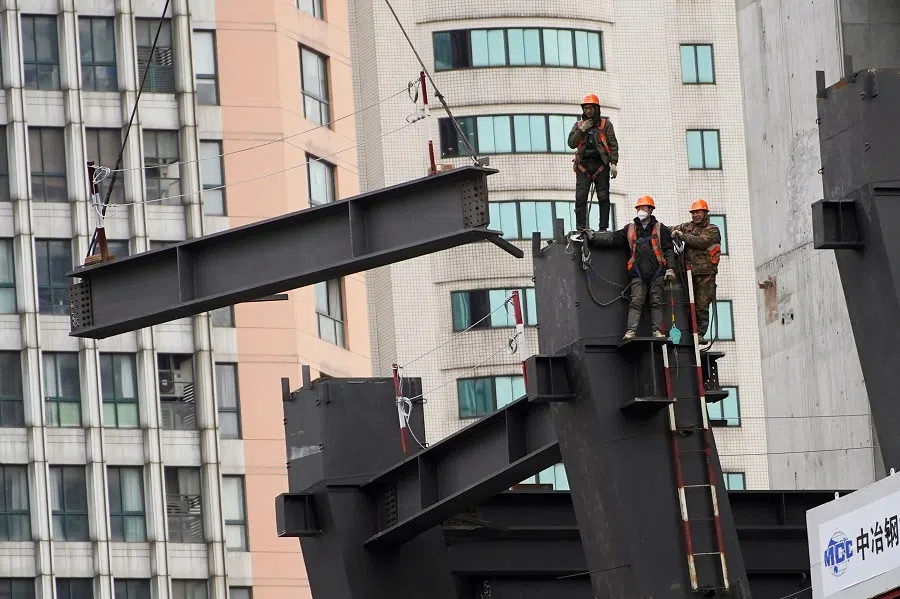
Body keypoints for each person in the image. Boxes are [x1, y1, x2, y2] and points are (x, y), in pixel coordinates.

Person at [589, 196, 676, 340]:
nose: (641, 211)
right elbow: (613, 238)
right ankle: (630, 331)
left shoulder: (661, 228)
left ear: (650, 210)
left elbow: (668, 249)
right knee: (636, 302)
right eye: (639, 208)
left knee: (657, 301)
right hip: (637, 272)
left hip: (657, 271)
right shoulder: (629, 228)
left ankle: (657, 331)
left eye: (643, 208)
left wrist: (670, 268)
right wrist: (594, 237)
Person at [671, 199, 721, 344]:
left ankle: (699, 333)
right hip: (688, 273)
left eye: (698, 212)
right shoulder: (688, 227)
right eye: (693, 213)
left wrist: (682, 236)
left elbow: (701, 242)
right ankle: (689, 331)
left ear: (705, 213)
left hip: (705, 274)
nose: (695, 215)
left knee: (701, 304)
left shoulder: (712, 229)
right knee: (688, 303)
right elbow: (672, 229)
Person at [568, 93, 618, 233]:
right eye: (586, 108)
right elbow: (571, 143)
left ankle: (603, 228)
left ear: (596, 109)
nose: (588, 111)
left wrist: (613, 163)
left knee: (603, 197)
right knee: (580, 198)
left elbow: (613, 145)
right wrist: (582, 130)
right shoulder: (578, 125)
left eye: (591, 108)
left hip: (600, 165)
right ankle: (581, 228)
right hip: (583, 166)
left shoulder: (605, 125)